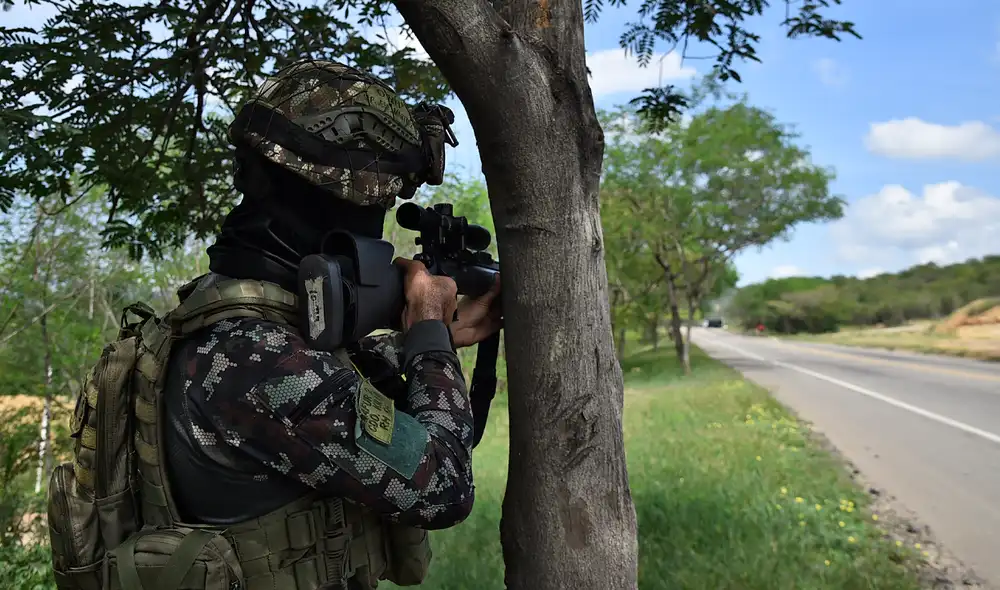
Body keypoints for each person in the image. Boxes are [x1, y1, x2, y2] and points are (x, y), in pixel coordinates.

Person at [52, 59, 502, 590]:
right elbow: (443, 485)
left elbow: (332, 394)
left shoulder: (224, 325)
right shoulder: (251, 358)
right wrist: (428, 333)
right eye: (377, 211)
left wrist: (432, 340)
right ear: (342, 208)